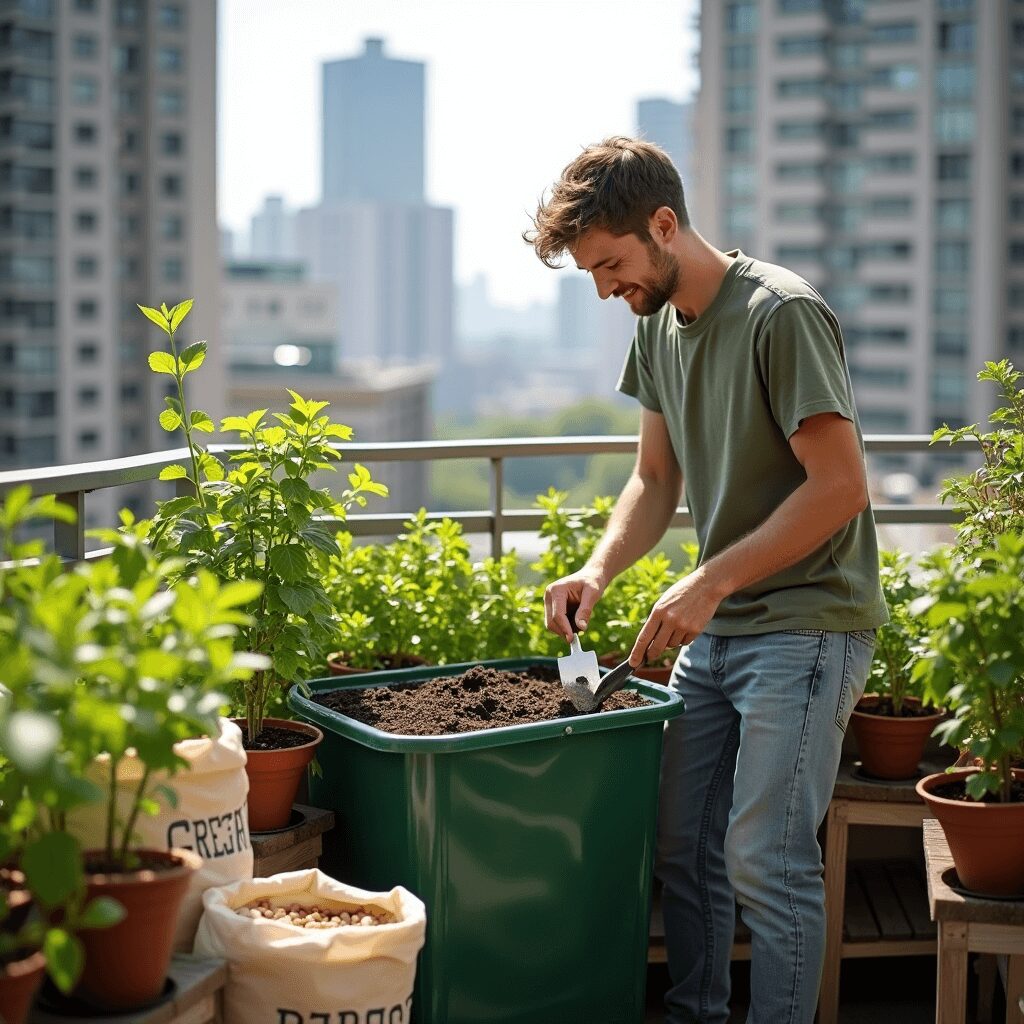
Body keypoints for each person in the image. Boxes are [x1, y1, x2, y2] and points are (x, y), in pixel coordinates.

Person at [523, 136, 887, 1024]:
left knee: (767, 856)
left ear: (664, 224)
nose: (607, 290)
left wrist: (709, 583)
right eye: (592, 276)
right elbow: (656, 478)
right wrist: (597, 571)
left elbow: (840, 488)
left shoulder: (780, 313)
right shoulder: (657, 327)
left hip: (807, 624)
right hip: (719, 631)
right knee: (684, 850)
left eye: (610, 265)